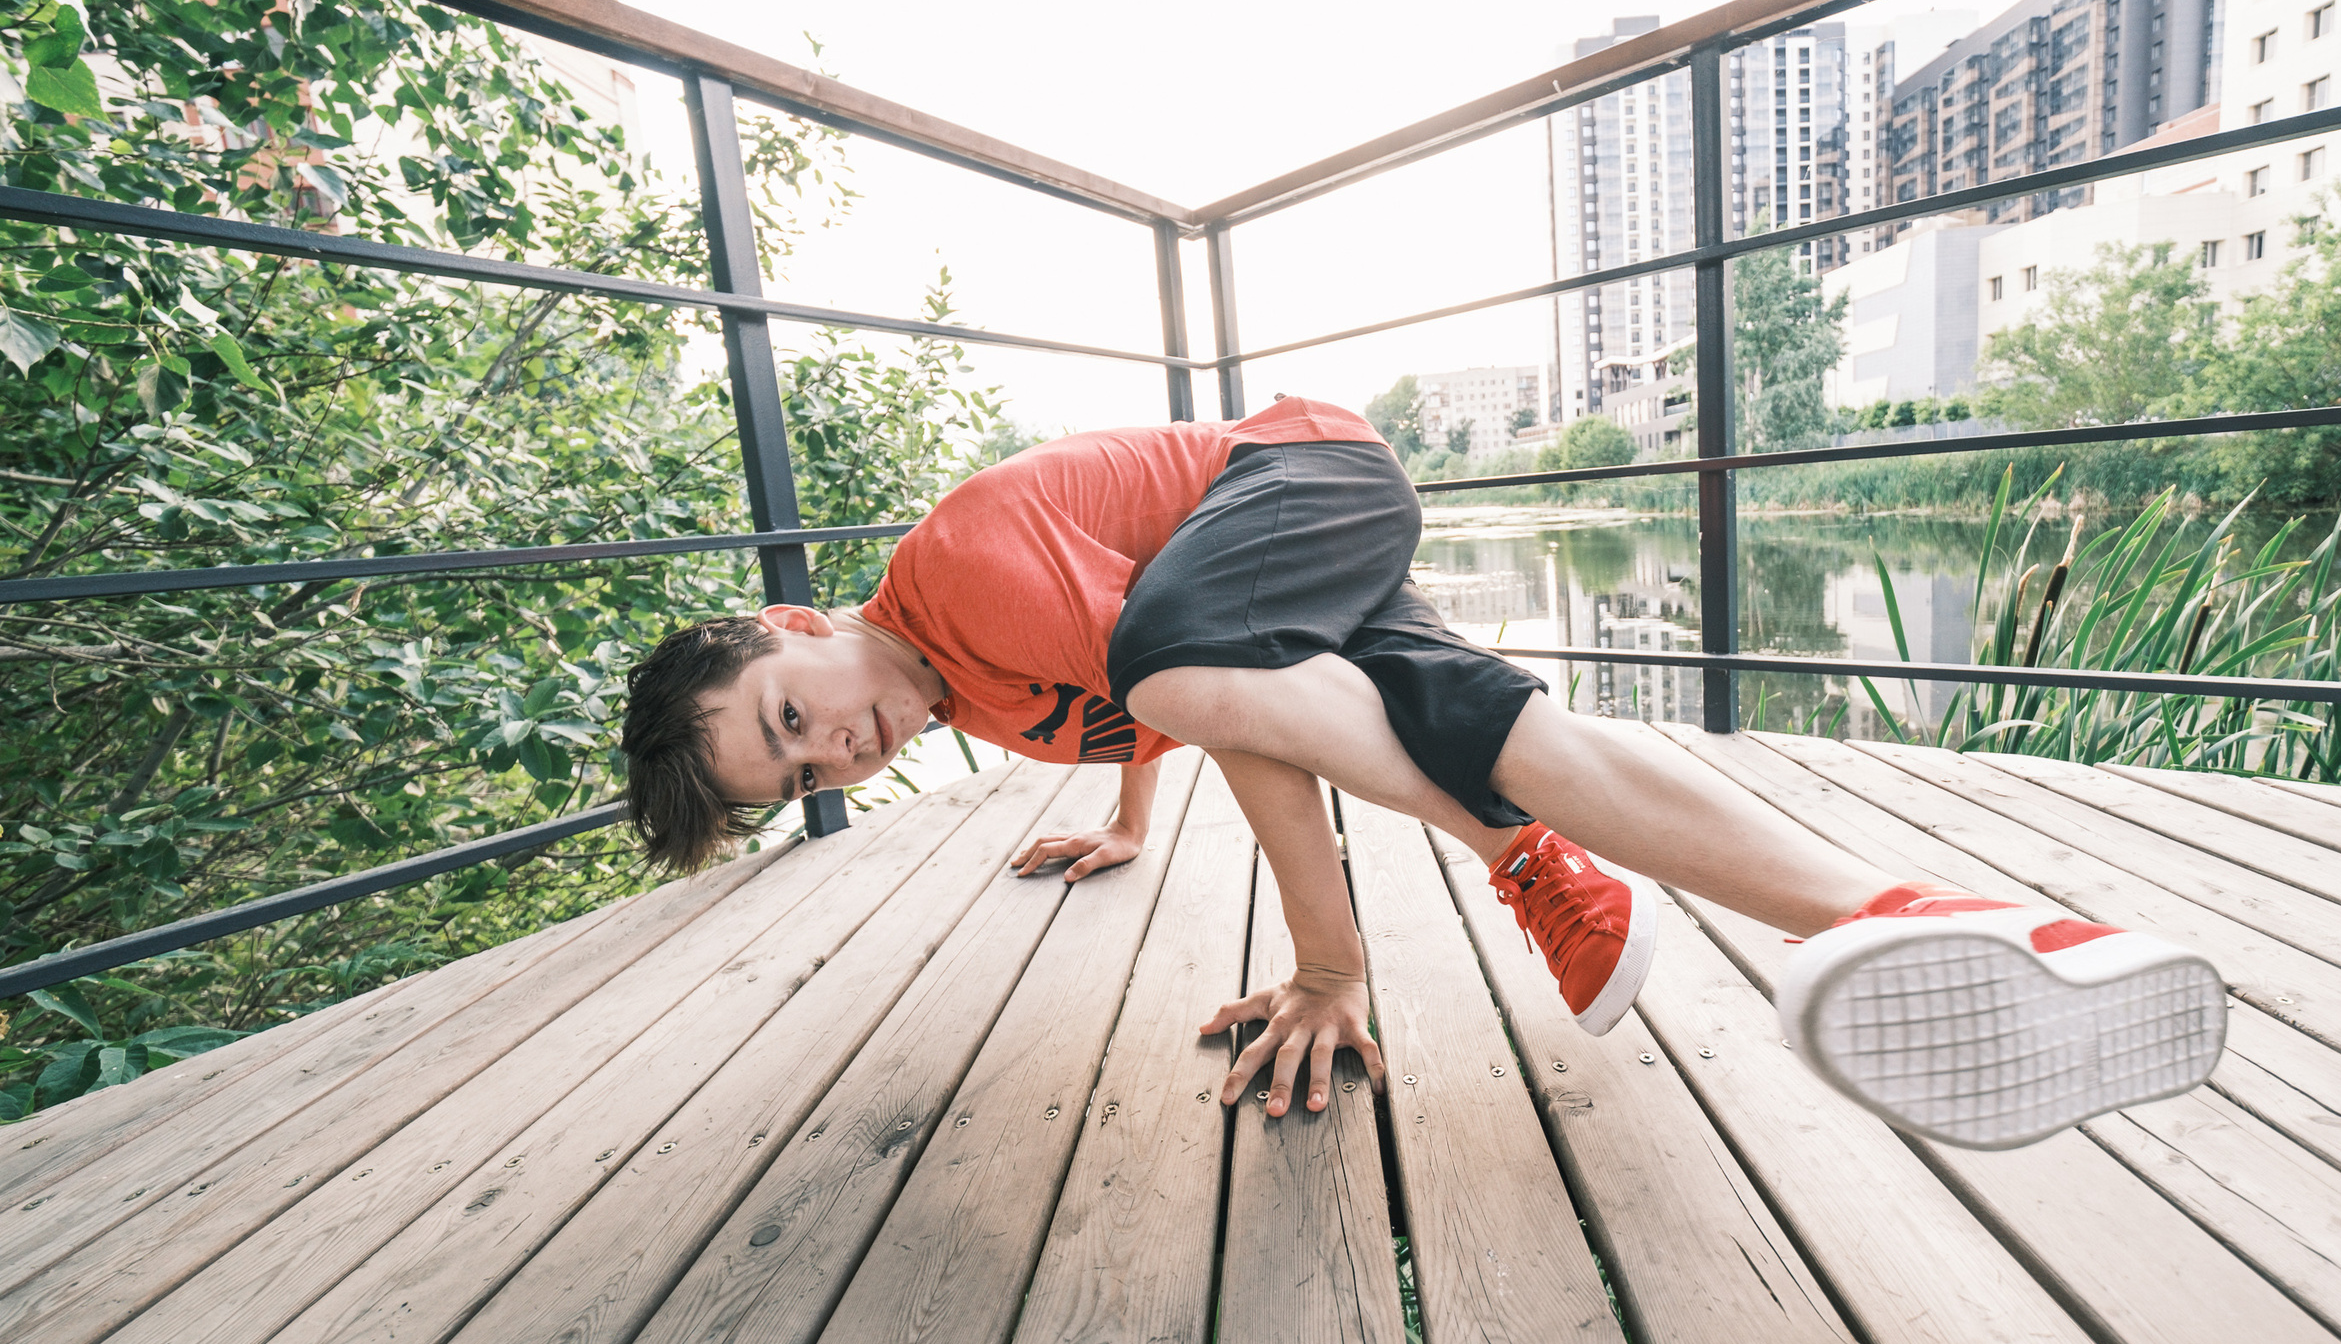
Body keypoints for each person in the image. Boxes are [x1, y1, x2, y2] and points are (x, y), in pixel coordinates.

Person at [618, 397, 2224, 1150]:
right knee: (1504, 731)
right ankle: (1938, 921)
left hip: (1300, 472)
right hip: (1280, 571)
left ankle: (1533, 869)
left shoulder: (956, 572)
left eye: (785, 717)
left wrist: (1330, 961)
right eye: (803, 777)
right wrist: (1119, 818)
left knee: (1202, 668)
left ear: (792, 627)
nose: (833, 753)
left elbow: (1207, 698)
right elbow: (1166, 721)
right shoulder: (964, 697)